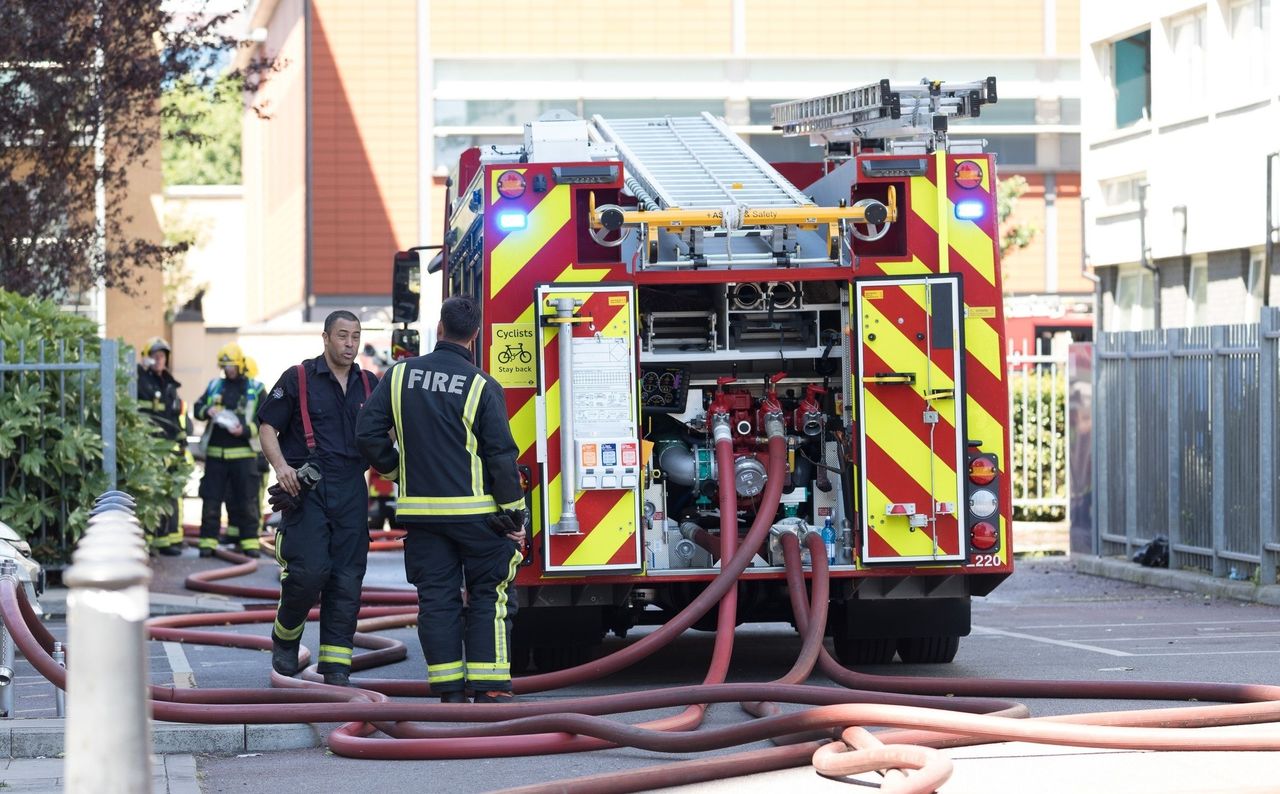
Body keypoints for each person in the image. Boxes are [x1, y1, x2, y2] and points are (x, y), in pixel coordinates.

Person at [356, 296, 526, 704]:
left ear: (438, 327)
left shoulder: (398, 376)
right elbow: (500, 456)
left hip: (422, 517)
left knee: (436, 600)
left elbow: (366, 435)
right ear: (475, 335)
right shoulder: (482, 386)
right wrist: (514, 512)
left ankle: (449, 691)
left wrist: (398, 471)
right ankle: (488, 689)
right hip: (477, 517)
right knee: (490, 594)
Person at [256, 310, 378, 687]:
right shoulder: (299, 378)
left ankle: (336, 667)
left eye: (355, 336)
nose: (350, 344)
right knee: (308, 573)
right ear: (325, 338)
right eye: (342, 336)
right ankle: (286, 638)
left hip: (352, 490)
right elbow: (267, 426)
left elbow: (389, 434)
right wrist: (281, 469)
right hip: (307, 491)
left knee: (347, 579)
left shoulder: (371, 384)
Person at [193, 343, 264, 558]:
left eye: (232, 366)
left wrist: (245, 430)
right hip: (216, 453)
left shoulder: (256, 388)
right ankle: (207, 542)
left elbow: (265, 421)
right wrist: (207, 410)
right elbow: (197, 408)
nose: (228, 370)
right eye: (225, 366)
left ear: (241, 364)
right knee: (211, 498)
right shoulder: (215, 385)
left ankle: (250, 542)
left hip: (244, 454)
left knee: (247, 499)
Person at [136, 337, 190, 556]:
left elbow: (177, 417)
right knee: (150, 492)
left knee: (171, 492)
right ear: (147, 358)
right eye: (155, 356)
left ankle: (168, 540)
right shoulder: (140, 380)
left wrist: (182, 443)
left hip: (170, 447)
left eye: (163, 356)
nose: (160, 360)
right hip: (149, 446)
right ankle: (148, 541)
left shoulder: (169, 384)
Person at [221, 355, 271, 550]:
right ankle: (236, 534)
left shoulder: (257, 391)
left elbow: (263, 424)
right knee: (233, 497)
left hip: (257, 457)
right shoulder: (242, 391)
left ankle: (252, 538)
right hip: (245, 455)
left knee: (252, 500)